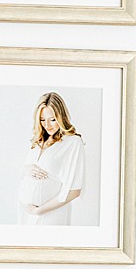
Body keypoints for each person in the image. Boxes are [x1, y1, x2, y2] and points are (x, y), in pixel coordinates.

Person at [17, 92, 84, 226]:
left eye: (52, 119)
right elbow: (24, 173)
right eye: (42, 119)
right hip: (25, 214)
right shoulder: (37, 141)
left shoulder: (73, 142)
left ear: (61, 117)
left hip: (50, 215)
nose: (47, 125)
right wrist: (26, 169)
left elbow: (74, 190)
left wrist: (39, 211)